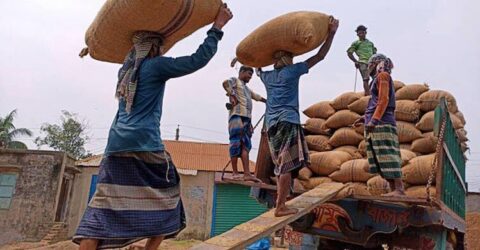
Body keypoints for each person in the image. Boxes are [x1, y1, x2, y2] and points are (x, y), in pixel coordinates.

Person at [73, 5, 233, 250]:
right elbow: (196, 60)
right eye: (159, 46)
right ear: (153, 48)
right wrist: (217, 28)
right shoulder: (155, 66)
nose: (160, 50)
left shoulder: (125, 72)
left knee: (103, 205)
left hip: (115, 145)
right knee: (169, 193)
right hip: (144, 142)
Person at [257, 17, 339, 217]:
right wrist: (331, 34)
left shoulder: (267, 77)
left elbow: (256, 66)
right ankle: (280, 206)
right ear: (287, 60)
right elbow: (319, 56)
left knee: (284, 164)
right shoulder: (291, 72)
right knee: (286, 165)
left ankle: (282, 199)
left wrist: (242, 60)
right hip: (288, 122)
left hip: (272, 125)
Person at [353, 53, 405, 197]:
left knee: (388, 155)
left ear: (376, 63)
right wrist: (365, 118)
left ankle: (399, 189)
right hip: (375, 123)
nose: (368, 68)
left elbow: (383, 100)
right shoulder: (377, 78)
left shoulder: (383, 76)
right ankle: (394, 189)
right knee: (381, 158)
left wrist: (373, 121)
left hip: (382, 124)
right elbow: (376, 103)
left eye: (370, 64)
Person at [223, 65, 266, 182]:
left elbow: (256, 96)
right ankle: (235, 173)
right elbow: (225, 83)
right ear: (241, 72)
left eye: (251, 75)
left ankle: (247, 174)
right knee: (235, 143)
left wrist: (267, 101)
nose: (250, 77)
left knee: (245, 145)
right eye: (248, 74)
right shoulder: (235, 81)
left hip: (247, 119)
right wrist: (231, 94)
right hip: (236, 117)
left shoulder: (247, 89)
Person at [347, 25, 377, 95]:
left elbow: (375, 53)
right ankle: (368, 94)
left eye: (363, 33)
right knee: (366, 79)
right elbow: (349, 53)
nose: (361, 34)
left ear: (365, 33)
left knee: (376, 78)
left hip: (372, 63)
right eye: (359, 33)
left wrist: (376, 62)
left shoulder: (370, 43)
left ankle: (373, 92)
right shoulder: (356, 43)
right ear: (357, 34)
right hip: (362, 62)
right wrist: (355, 61)